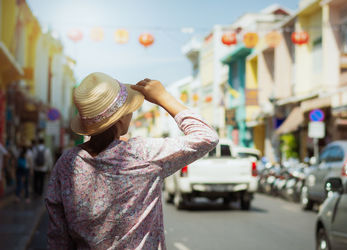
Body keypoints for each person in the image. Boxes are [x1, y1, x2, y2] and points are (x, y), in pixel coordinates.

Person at [45, 72, 219, 249]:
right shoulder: (143, 154)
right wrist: (163, 97)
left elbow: (58, 237)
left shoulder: (67, 163)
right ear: (120, 117)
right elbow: (207, 137)